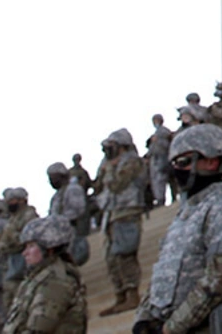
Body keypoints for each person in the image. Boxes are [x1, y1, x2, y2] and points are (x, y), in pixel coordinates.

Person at [132, 125, 222, 334]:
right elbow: (163, 273)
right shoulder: (187, 213)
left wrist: (170, 328)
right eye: (175, 163)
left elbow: (221, 279)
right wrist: (144, 318)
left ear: (211, 162)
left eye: (184, 162)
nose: (177, 170)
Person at [1, 217, 85, 334]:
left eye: (31, 246)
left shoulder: (56, 281)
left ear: (49, 248)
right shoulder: (37, 277)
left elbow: (39, 329)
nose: (25, 253)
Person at [95, 128, 146, 316]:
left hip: (127, 211)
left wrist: (109, 169)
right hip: (111, 213)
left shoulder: (131, 161)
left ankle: (132, 294)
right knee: (111, 257)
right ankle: (120, 295)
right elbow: (98, 186)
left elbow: (118, 185)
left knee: (125, 254)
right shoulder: (107, 163)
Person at [0, 188, 37, 290]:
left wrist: (11, 237)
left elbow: (28, 238)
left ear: (22, 200)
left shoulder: (29, 215)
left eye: (12, 200)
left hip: (21, 260)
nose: (8, 203)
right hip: (9, 260)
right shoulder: (13, 217)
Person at [44, 163, 89, 256]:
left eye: (53, 177)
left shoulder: (73, 189)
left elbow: (78, 210)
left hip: (72, 232)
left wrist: (60, 220)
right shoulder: (56, 195)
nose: (52, 181)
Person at [145, 113, 174, 207]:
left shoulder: (163, 132)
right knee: (157, 181)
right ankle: (160, 199)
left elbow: (163, 144)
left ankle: (161, 199)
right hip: (156, 159)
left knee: (161, 179)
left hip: (162, 158)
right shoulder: (156, 135)